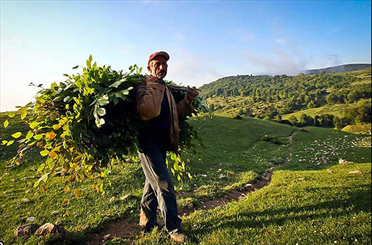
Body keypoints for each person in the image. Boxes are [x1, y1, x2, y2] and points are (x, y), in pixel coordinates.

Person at [135, 51, 199, 243]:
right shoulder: (143, 85)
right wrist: (154, 83)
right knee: (164, 184)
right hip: (147, 143)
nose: (162, 67)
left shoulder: (167, 90)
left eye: (165, 64)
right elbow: (147, 111)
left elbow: (175, 114)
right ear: (149, 67)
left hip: (162, 142)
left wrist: (187, 100)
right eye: (158, 64)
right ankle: (173, 228)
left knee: (151, 183)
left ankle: (146, 222)